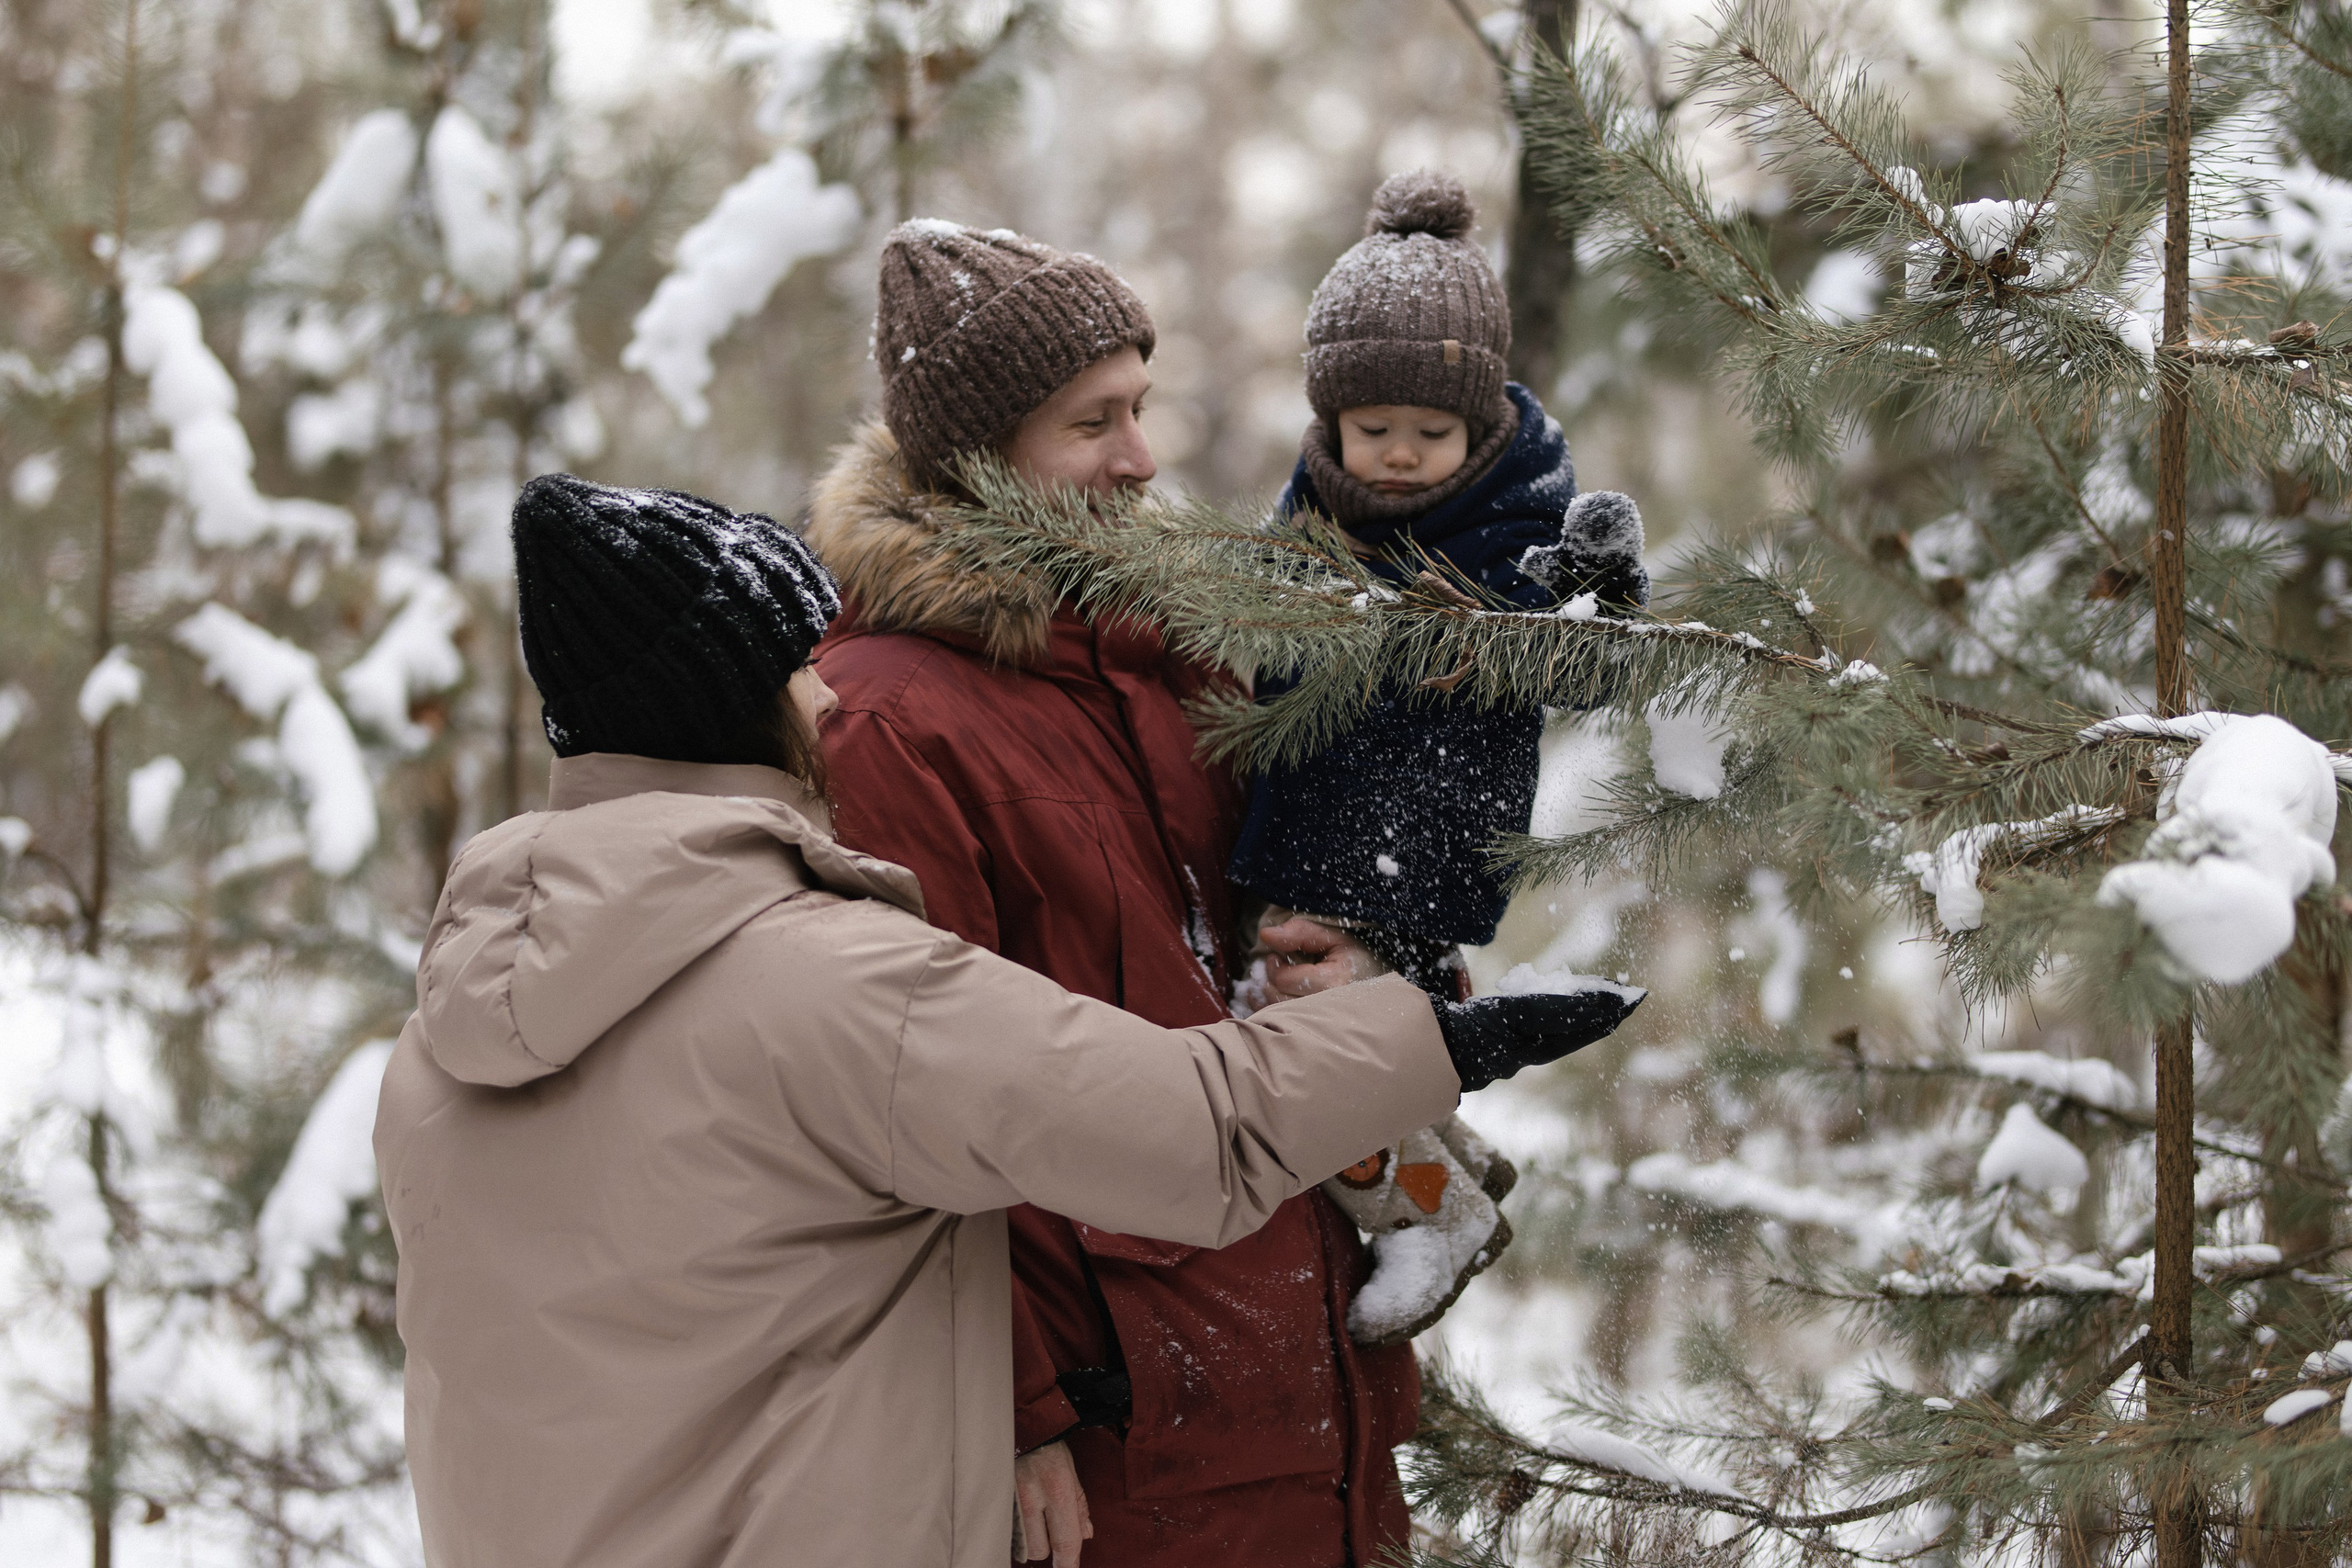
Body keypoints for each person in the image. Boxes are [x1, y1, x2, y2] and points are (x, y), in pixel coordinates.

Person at [372, 472, 1637, 1568]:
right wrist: (1436, 1034)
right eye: (802, 669)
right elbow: (1194, 1130)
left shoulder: (443, 1035)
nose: (829, 702)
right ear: (737, 703)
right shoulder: (828, 985)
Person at [803, 219, 1487, 1568]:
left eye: (1140, 407)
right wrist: (1009, 1410)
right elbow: (896, 1109)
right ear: (973, 457)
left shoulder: (1170, 659)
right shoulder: (887, 722)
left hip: (1293, 1374)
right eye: (1089, 423)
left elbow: (1278, 932)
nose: (1141, 456)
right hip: (1125, 1433)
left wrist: (1379, 964)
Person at [1227, 170, 1654, 1346]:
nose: (1401, 458)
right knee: (1336, 1039)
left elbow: (1573, 667)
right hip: (1311, 829)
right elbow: (1256, 650)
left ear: (1484, 421)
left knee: (1310, 1061)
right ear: (1330, 424)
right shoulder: (1307, 513)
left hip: (1411, 843)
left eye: (1432, 433)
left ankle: (1435, 1213)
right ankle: (1453, 1161)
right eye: (1374, 433)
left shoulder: (1516, 530)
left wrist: (1598, 597)